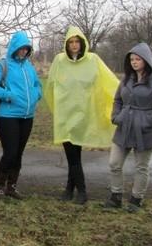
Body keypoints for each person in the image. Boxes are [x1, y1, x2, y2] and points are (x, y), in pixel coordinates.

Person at [45, 26, 119, 205]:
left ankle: (76, 190)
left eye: (77, 41)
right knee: (72, 155)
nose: (74, 45)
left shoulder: (93, 60)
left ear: (82, 42)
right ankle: (76, 191)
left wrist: (122, 95)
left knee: (75, 156)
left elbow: (108, 80)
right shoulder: (59, 61)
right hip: (65, 115)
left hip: (83, 115)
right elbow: (50, 86)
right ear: (66, 44)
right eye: (71, 42)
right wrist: (57, 109)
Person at [104, 43, 152, 212]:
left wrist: (149, 120)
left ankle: (136, 200)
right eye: (131, 59)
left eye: (137, 59)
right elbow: (117, 99)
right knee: (114, 163)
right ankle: (115, 197)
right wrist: (116, 116)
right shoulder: (126, 79)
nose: (134, 62)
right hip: (124, 125)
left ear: (146, 60)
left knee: (141, 166)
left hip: (144, 129)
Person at [0, 31, 42, 199]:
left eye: (26, 49)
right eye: (21, 48)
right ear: (14, 47)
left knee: (18, 153)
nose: (23, 51)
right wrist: (7, 95)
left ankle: (12, 186)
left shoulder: (29, 67)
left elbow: (38, 85)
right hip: (8, 116)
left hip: (27, 116)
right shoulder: (3, 65)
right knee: (10, 152)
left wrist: (37, 94)